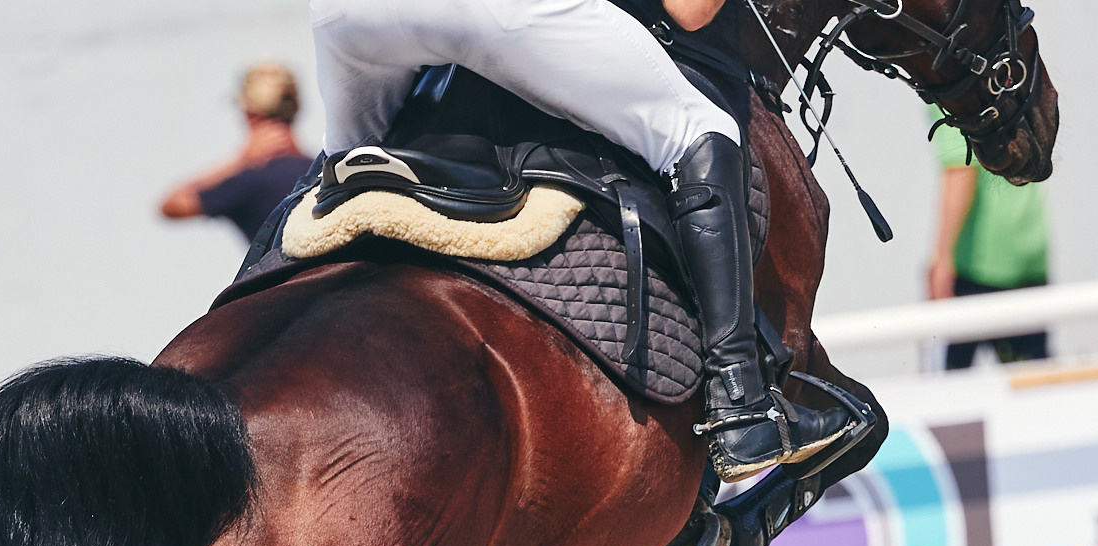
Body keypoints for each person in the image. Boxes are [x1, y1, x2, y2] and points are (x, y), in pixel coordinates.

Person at [309, 0, 850, 480]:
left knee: (343, 180)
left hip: (348, 17)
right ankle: (742, 403)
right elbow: (690, 13)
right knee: (698, 130)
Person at [927, 114, 1050, 368]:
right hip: (1027, 247)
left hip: (979, 259)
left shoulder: (951, 94)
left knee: (951, 390)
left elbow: (961, 170)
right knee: (1032, 385)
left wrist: (942, 258)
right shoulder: (1003, 83)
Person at [161, 64, 318, 243]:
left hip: (277, 270)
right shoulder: (325, 171)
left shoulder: (245, 182)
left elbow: (170, 206)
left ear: (249, 112)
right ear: (296, 108)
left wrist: (238, 161)